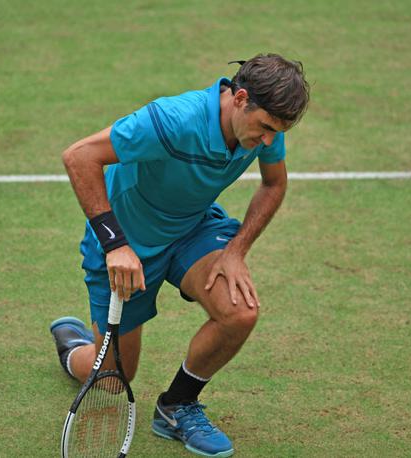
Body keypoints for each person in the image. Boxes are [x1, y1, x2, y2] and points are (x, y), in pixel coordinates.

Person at [50, 53, 309, 457]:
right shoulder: (173, 120)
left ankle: (177, 406)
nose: (270, 141)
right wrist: (115, 244)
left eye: (278, 131)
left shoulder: (266, 125)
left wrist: (236, 251)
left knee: (240, 310)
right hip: (127, 242)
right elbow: (80, 156)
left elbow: (273, 185)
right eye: (265, 129)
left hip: (192, 229)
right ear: (240, 98)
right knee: (113, 379)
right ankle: (73, 346)